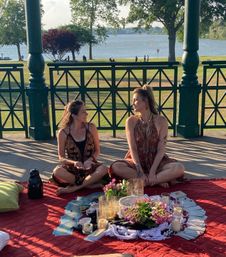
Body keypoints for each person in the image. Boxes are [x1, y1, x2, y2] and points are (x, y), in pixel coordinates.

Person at [111, 85, 185, 188]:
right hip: (136, 161)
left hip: (157, 162)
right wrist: (139, 169)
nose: (133, 103)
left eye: (136, 100)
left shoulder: (161, 121)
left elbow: (161, 149)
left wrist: (153, 171)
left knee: (179, 168)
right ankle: (156, 180)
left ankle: (145, 181)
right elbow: (133, 148)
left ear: (145, 102)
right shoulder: (130, 121)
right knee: (116, 167)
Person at [51, 100, 108, 195]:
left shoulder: (91, 128)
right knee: (57, 171)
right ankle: (88, 184)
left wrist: (90, 160)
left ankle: (74, 188)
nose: (87, 113)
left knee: (103, 169)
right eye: (83, 111)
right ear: (74, 115)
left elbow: (97, 151)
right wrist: (74, 163)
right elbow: (61, 158)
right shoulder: (63, 133)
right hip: (73, 169)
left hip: (90, 166)